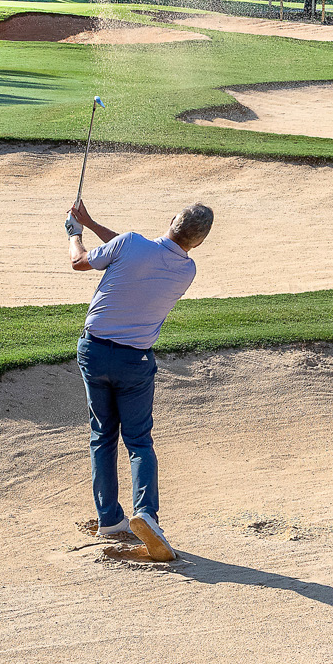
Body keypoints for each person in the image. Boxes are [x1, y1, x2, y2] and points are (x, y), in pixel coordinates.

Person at [65, 198, 214, 561]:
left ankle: (109, 519)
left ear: (172, 220)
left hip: (94, 351)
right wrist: (93, 223)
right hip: (135, 361)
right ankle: (145, 512)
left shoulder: (131, 243)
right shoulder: (187, 270)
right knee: (139, 441)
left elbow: (80, 261)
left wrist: (75, 233)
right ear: (198, 242)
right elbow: (138, 253)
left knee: (102, 436)